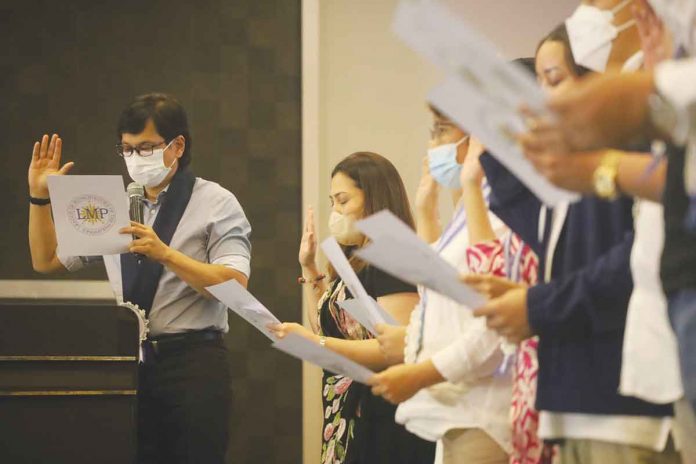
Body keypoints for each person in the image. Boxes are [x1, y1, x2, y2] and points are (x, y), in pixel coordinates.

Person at [472, 3, 681, 461]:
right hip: (573, 394)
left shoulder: (626, 147)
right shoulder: (579, 169)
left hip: (622, 396)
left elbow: (637, 259)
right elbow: (555, 246)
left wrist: (539, 304)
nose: (545, 100)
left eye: (555, 80)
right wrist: (531, 297)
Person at [27, 93, 252, 464]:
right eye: (127, 149)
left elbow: (234, 286)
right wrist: (39, 198)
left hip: (191, 361)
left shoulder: (217, 202)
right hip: (125, 360)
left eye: (146, 148)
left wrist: (166, 254)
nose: (135, 159)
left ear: (177, 145)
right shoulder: (107, 202)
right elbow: (46, 261)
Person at [270, 152, 435, 464]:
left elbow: (397, 349)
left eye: (343, 201)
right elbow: (327, 328)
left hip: (383, 413)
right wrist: (308, 267)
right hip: (346, 406)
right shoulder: (354, 259)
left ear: (374, 198)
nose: (335, 211)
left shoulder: (393, 256)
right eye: (332, 201)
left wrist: (315, 344)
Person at [368, 107, 512, 464]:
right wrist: (426, 212)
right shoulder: (471, 207)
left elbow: (490, 328)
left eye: (441, 131)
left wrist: (419, 373)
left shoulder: (502, 209)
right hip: (453, 407)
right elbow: (439, 292)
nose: (432, 144)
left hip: (484, 411)